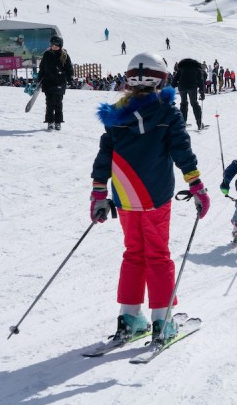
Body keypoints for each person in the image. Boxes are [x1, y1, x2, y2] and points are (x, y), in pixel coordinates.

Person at [90, 52, 210, 344]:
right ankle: (162, 322)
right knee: (157, 255)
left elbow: (105, 154)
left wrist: (98, 191)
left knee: (133, 253)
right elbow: (181, 150)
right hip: (156, 195)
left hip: (125, 195)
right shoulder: (168, 113)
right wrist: (197, 186)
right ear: (162, 80)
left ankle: (129, 317)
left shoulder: (117, 114)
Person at [38, 35, 73, 131]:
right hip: (48, 82)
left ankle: (58, 122)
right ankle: (50, 122)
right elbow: (42, 68)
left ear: (60, 45)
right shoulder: (47, 54)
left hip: (60, 82)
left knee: (58, 103)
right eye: (52, 44)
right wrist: (39, 80)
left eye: (56, 45)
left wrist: (70, 79)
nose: (54, 46)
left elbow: (69, 68)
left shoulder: (64, 55)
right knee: (49, 104)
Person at [172, 57, 206, 130]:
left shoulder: (182, 68)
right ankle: (199, 123)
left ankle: (183, 123)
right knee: (194, 104)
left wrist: (171, 87)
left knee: (183, 103)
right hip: (192, 87)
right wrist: (202, 92)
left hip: (182, 87)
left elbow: (176, 78)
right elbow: (200, 80)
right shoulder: (197, 68)